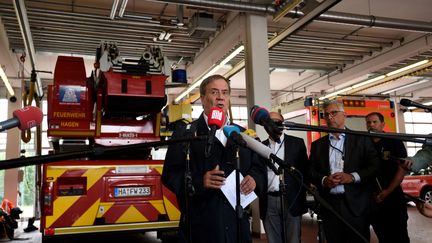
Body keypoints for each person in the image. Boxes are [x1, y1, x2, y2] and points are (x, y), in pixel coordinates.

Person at [161, 74, 266, 243]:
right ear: (202, 98)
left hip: (237, 227)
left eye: (225, 93)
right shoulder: (186, 133)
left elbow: (259, 168)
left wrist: (254, 179)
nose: (220, 98)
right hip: (200, 227)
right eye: (214, 92)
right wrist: (198, 181)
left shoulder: (244, 134)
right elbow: (170, 175)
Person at [308, 100, 379, 243]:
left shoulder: (361, 139)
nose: (329, 117)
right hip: (329, 206)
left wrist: (352, 177)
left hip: (356, 206)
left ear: (344, 115)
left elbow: (374, 166)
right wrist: (324, 180)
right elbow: (310, 171)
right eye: (326, 114)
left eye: (333, 113)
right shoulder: (318, 145)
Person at [258, 112, 309, 243]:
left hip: (291, 199)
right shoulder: (260, 147)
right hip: (268, 200)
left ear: (283, 124)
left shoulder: (297, 143)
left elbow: (304, 171)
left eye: (278, 121)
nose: (274, 124)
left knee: (293, 239)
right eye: (271, 121)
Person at [365, 112, 410, 243]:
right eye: (368, 122)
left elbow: (402, 169)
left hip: (394, 198)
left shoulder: (394, 141)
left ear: (383, 124)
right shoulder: (363, 143)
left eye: (375, 122)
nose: (371, 125)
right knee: (383, 237)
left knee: (400, 236)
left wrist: (387, 191)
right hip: (373, 201)